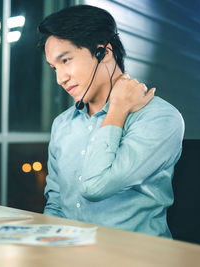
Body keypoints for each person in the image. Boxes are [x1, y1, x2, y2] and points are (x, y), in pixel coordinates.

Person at [37, 5, 184, 238]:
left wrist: (116, 110)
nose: (59, 78)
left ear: (103, 52)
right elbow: (55, 204)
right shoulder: (62, 125)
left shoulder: (160, 118)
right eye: (54, 67)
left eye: (65, 61)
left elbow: (95, 186)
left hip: (133, 258)